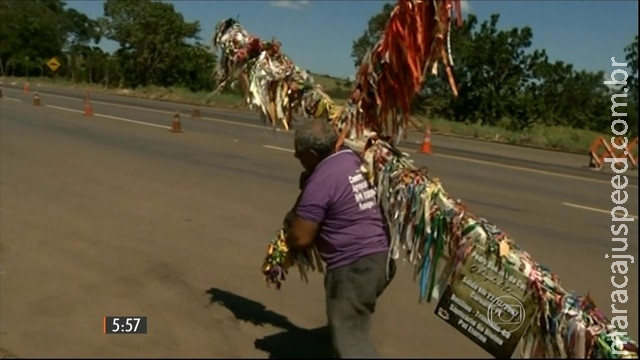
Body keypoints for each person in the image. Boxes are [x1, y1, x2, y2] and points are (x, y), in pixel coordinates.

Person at [284, 118, 396, 358]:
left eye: (299, 155)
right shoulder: (353, 157)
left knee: (351, 339)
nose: (298, 160)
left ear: (313, 155)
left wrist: (287, 240)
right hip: (382, 258)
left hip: (357, 266)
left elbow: (301, 238)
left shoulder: (321, 180)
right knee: (346, 320)